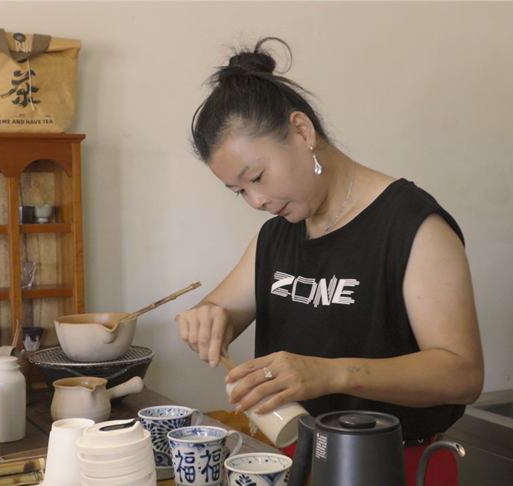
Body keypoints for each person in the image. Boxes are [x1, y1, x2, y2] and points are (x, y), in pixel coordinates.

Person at [175, 38, 484, 486]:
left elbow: (462, 374)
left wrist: (330, 373)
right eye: (240, 191)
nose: (257, 201)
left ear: (302, 132)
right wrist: (206, 317)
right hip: (296, 463)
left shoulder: (412, 227)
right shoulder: (277, 236)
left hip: (395, 465)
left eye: (257, 177)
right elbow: (219, 311)